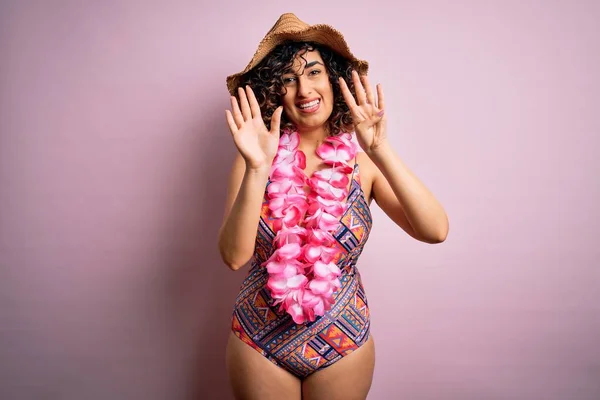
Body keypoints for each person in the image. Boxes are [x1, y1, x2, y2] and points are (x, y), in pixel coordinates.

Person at [218, 13, 449, 400]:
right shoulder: (252, 158)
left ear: (333, 80)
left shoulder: (363, 166)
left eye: (313, 72)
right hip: (258, 339)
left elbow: (435, 230)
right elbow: (234, 256)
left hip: (342, 340)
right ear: (274, 90)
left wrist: (380, 149)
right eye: (288, 79)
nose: (303, 89)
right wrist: (259, 168)